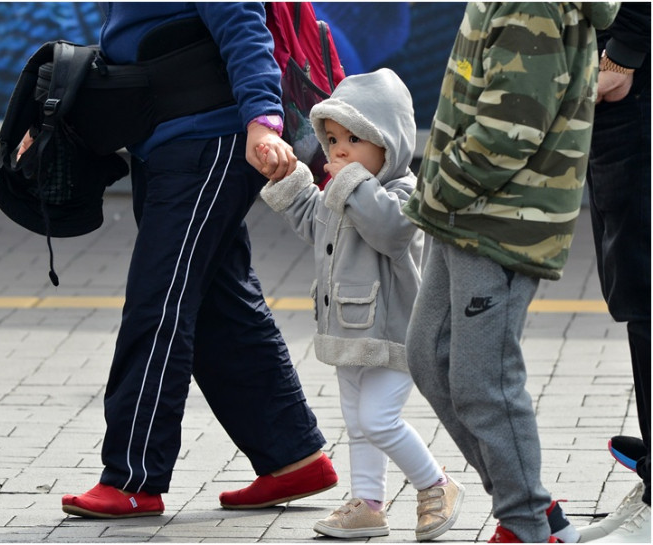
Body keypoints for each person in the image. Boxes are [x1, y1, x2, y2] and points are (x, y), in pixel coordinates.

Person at [58, 3, 339, 518]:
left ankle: (134, 477)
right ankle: (292, 456)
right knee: (218, 303)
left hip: (209, 141)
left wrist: (261, 120)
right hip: (166, 146)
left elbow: (243, 27)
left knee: (158, 301)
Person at [401, 3, 620, 543]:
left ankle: (525, 525)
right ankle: (531, 507)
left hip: (500, 220)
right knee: (429, 357)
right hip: (463, 213)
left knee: (484, 382)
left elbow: (509, 129)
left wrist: (435, 189)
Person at [259, 68, 464, 541]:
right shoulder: (348, 188)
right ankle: (368, 503)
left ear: (389, 143)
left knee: (378, 419)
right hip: (349, 329)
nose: (339, 151)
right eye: (332, 140)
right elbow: (315, 221)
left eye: (354, 138)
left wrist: (349, 181)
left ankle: (437, 484)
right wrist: (291, 180)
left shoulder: (402, 193)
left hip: (394, 333)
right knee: (357, 423)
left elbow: (390, 231)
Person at [576, 3, 651, 543]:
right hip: (626, 91)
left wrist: (623, 56)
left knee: (648, 298)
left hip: (636, 85)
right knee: (638, 299)